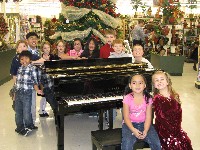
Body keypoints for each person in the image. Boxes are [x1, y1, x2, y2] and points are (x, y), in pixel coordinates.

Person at [152, 71, 193, 149]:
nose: (159, 81)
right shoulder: (157, 99)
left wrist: (177, 130)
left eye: (162, 79)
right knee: (174, 144)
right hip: (164, 130)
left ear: (167, 81)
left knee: (185, 141)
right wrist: (172, 133)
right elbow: (162, 118)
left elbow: (179, 115)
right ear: (154, 85)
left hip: (176, 128)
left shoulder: (175, 96)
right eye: (156, 80)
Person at [121, 73, 161, 150]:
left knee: (156, 143)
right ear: (130, 86)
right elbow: (126, 117)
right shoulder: (127, 98)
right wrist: (133, 130)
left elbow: (149, 117)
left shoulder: (148, 99)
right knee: (127, 144)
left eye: (140, 83)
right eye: (134, 83)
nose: (137, 85)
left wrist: (146, 130)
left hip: (145, 123)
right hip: (129, 124)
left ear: (145, 85)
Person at [14, 51, 42, 136]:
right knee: (18, 112)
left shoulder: (32, 69)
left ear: (30, 60)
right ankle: (20, 128)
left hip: (27, 94)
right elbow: (17, 83)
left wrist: (37, 90)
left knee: (27, 111)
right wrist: (14, 94)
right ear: (20, 61)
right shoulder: (19, 69)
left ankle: (29, 125)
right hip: (18, 93)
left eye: (26, 58)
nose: (24, 60)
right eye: (22, 59)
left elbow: (34, 82)